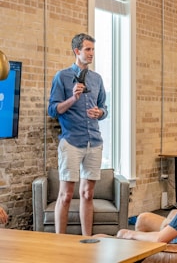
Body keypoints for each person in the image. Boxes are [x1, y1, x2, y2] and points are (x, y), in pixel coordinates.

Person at [48, 33, 108, 236]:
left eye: (93, 49)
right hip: (71, 142)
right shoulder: (62, 77)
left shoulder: (97, 79)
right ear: (77, 51)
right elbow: (53, 110)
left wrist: (100, 113)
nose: (91, 53)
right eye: (88, 49)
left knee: (88, 193)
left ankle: (87, 241)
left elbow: (104, 108)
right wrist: (73, 98)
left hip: (94, 142)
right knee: (65, 196)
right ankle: (60, 242)